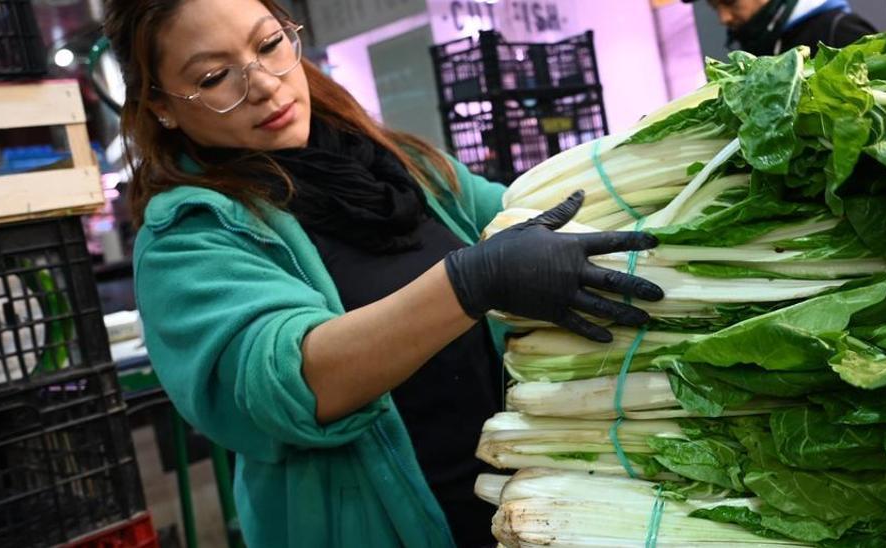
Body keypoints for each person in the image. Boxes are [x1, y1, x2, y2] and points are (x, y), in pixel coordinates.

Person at [102, 0, 663, 546]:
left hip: (528, 514)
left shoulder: (397, 165)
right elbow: (288, 382)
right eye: (216, 76)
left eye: (270, 44)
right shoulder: (190, 237)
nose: (266, 84)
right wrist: (468, 284)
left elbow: (527, 215)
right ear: (161, 106)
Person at [691, 0, 878, 55]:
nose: (724, 18)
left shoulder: (841, 30)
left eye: (730, 2)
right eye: (715, 8)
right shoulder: (760, 44)